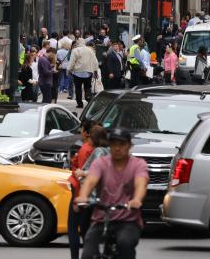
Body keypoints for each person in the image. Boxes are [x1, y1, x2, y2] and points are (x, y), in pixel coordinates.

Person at [76, 128, 148, 259]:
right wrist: (83, 196)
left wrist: (137, 199)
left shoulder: (138, 164)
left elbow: (141, 183)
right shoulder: (101, 163)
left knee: (125, 243)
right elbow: (91, 180)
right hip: (101, 219)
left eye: (122, 144)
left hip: (128, 220)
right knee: (88, 253)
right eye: (114, 144)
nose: (117, 148)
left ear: (130, 146)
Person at [67, 120, 97, 259]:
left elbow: (82, 177)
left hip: (81, 192)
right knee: (86, 229)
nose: (80, 133)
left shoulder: (85, 149)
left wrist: (77, 199)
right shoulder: (99, 149)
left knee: (73, 227)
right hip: (92, 193)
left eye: (81, 130)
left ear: (86, 133)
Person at [68, 39, 99, 109]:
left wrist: (68, 69)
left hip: (77, 72)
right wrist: (95, 70)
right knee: (88, 88)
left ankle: (80, 103)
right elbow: (95, 61)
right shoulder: (90, 50)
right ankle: (89, 100)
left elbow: (72, 61)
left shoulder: (75, 50)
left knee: (78, 88)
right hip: (88, 72)